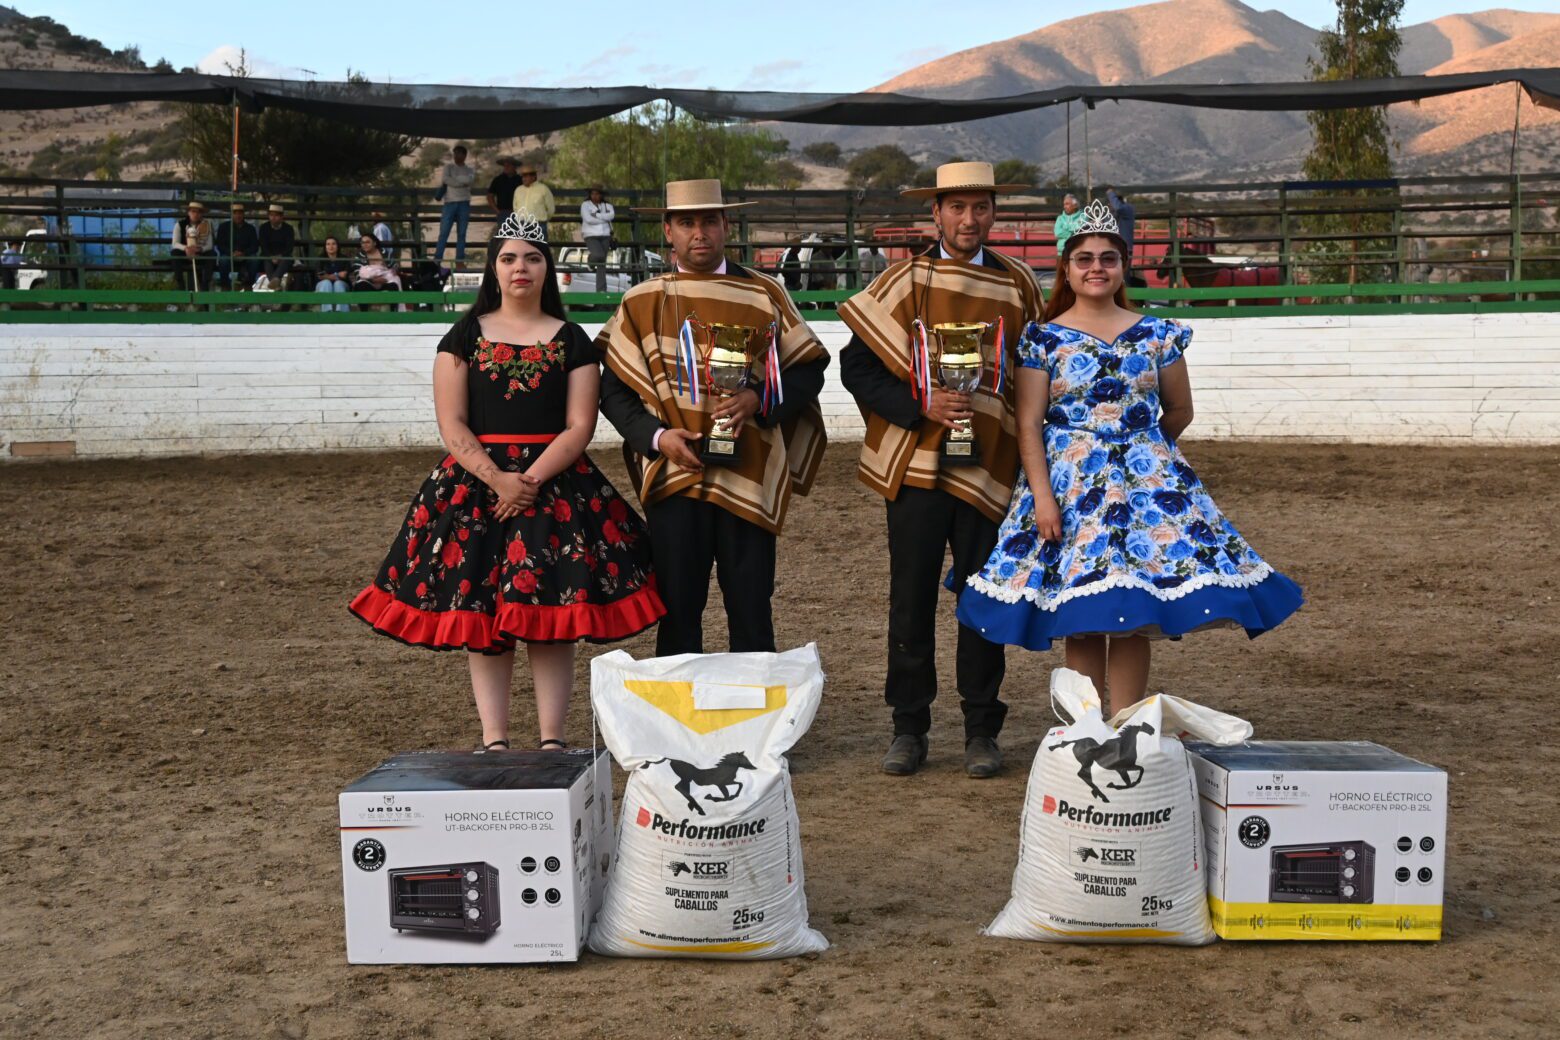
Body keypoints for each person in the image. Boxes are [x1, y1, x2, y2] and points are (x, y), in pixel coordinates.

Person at [956, 200, 1303, 715]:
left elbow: (1180, 409)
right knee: (1083, 609)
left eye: (1108, 258)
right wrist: (1046, 499)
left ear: (1124, 267)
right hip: (1071, 489)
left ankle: (1126, 723)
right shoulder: (1043, 339)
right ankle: (1086, 726)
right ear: (1067, 270)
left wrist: (1143, 451)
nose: (1097, 267)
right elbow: (1029, 423)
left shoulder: (1158, 334)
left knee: (1135, 608)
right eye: (1085, 259)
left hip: (1147, 487)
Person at [350, 212, 665, 750]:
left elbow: (579, 426)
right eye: (509, 257)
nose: (521, 268)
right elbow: (452, 423)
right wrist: (498, 479)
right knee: (483, 618)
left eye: (533, 257)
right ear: (493, 268)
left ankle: (551, 739)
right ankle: (494, 738)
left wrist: (530, 480)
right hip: (477, 489)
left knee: (553, 613)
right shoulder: (464, 335)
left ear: (549, 270)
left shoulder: (573, 340)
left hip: (556, 488)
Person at [838, 161, 1045, 779]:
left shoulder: (1018, 284)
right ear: (936, 214)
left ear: (993, 213)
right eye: (956, 208)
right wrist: (919, 405)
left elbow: (1039, 374)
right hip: (919, 468)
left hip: (989, 466)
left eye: (979, 207)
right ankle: (910, 728)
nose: (968, 219)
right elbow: (858, 368)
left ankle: (982, 729)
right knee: (912, 599)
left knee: (983, 596)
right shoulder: (904, 280)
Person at [596, 179, 829, 657]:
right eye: (686, 222)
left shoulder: (764, 293)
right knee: (678, 610)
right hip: (675, 473)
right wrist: (656, 437)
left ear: (726, 226)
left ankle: (755, 725)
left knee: (752, 608)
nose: (698, 232)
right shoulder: (642, 300)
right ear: (668, 231)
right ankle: (681, 725)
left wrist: (758, 400)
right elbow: (612, 389)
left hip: (749, 470)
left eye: (708, 221)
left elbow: (808, 371)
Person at [434, 145, 477, 265]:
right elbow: (446, 180)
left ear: (464, 155)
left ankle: (460, 260)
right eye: (455, 154)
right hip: (449, 203)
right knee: (444, 232)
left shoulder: (470, 169)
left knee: (462, 233)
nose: (456, 156)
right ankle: (437, 259)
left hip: (464, 203)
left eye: (458, 154)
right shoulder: (448, 167)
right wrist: (460, 183)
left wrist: (455, 181)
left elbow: (470, 181)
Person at [171, 200, 216, 292]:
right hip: (185, 254)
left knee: (212, 254)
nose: (195, 214)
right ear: (188, 212)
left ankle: (205, 284)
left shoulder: (207, 225)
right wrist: (186, 248)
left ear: (202, 214)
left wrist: (200, 249)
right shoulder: (179, 225)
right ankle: (180, 284)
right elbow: (175, 243)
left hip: (200, 254)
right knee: (175, 253)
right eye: (193, 211)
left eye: (198, 212)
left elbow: (210, 244)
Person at [214, 202, 260, 291]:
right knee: (223, 260)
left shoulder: (250, 228)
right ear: (231, 214)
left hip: (245, 255)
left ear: (243, 214)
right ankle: (225, 285)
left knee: (254, 259)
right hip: (229, 255)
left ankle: (249, 285)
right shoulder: (223, 227)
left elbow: (254, 246)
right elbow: (220, 245)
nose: (238, 215)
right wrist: (231, 253)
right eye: (235, 213)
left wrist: (244, 253)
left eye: (240, 213)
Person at [580, 185, 615, 293]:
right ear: (590, 195)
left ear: (601, 195)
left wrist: (597, 215)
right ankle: (590, 262)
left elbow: (612, 215)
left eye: (597, 194)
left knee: (602, 263)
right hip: (590, 235)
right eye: (593, 194)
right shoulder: (585, 205)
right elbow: (588, 219)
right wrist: (604, 217)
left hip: (605, 235)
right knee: (598, 255)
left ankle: (601, 290)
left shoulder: (607, 205)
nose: (595, 196)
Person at [510, 164, 556, 240]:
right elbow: (515, 208)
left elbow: (551, 209)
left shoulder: (543, 189)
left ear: (533, 176)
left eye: (526, 176)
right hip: (521, 226)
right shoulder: (518, 190)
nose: (523, 178)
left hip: (538, 225)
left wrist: (542, 219)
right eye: (523, 176)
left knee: (540, 249)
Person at [258, 203, 297, 289]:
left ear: (281, 217)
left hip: (284, 256)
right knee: (266, 260)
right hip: (268, 256)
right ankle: (275, 282)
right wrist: (271, 256)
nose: (273, 218)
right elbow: (263, 246)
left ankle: (274, 280)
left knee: (286, 260)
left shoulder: (288, 229)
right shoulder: (264, 228)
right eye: (271, 215)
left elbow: (289, 247)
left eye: (276, 215)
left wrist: (280, 256)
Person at [315, 235, 351, 312]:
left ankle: (342, 313)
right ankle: (327, 312)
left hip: (342, 286)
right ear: (325, 247)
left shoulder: (344, 258)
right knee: (326, 282)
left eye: (333, 244)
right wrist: (337, 275)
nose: (331, 246)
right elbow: (321, 277)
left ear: (338, 246)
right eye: (328, 244)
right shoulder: (320, 259)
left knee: (338, 283)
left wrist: (327, 276)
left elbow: (344, 275)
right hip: (323, 286)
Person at [486, 157, 524, 221]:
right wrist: (497, 211)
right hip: (503, 212)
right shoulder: (497, 180)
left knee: (519, 230)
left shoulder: (521, 180)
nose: (506, 167)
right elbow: (490, 196)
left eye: (508, 166)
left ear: (514, 167)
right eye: (505, 166)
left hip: (518, 212)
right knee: (503, 230)